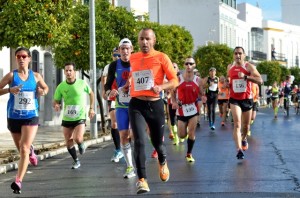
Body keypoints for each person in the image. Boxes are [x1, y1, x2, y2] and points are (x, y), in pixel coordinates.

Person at [128, 28, 179, 194]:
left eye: (147, 39)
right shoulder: (133, 57)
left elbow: (174, 80)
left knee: (158, 143)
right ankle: (142, 180)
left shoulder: (162, 57)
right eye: (141, 39)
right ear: (138, 41)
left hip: (155, 105)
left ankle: (163, 161)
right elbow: (132, 77)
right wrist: (124, 86)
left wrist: (161, 87)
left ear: (153, 40)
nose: (144, 42)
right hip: (136, 104)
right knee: (139, 141)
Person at [0, 47, 49, 194]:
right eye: (18, 57)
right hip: (14, 116)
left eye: (23, 56)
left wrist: (42, 91)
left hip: (30, 116)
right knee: (21, 147)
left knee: (23, 149)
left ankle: (18, 181)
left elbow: (45, 88)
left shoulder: (36, 76)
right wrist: (10, 90)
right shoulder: (11, 76)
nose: (21, 59)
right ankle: (31, 151)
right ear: (16, 59)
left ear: (29, 59)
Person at [53, 62, 95, 169]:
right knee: (68, 141)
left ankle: (81, 144)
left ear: (74, 72)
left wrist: (91, 108)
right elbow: (56, 100)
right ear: (64, 72)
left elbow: (91, 94)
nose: (68, 72)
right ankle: (76, 160)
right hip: (67, 117)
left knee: (77, 138)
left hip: (80, 116)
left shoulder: (82, 83)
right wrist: (56, 105)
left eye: (70, 70)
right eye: (66, 70)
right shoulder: (61, 86)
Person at [104, 38, 136, 179]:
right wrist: (108, 92)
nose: (124, 51)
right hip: (121, 105)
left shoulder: (137, 63)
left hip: (137, 105)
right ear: (119, 50)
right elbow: (108, 83)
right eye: (122, 48)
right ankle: (130, 167)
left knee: (134, 136)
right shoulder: (113, 65)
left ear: (132, 49)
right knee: (123, 135)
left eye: (127, 48)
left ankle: (138, 161)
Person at [227, 46, 262, 160]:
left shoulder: (248, 66)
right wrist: (228, 85)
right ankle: (239, 150)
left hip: (247, 98)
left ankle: (243, 138)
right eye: (236, 53)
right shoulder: (230, 67)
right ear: (233, 55)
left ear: (244, 55)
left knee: (246, 126)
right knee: (237, 124)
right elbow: (230, 81)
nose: (238, 55)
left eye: (240, 53)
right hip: (234, 99)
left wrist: (246, 77)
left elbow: (260, 80)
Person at [171, 56, 202, 162]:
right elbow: (172, 91)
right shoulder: (178, 79)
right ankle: (184, 133)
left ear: (194, 66)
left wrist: (202, 101)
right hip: (181, 109)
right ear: (184, 65)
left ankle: (189, 154)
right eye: (187, 64)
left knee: (192, 132)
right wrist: (174, 101)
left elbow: (202, 94)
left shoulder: (198, 80)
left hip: (193, 109)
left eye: (191, 64)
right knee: (182, 135)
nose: (189, 66)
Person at [101, 48, 123, 163]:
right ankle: (118, 149)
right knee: (114, 123)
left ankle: (126, 145)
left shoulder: (127, 64)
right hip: (113, 97)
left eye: (119, 55)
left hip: (125, 97)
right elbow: (104, 80)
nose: (117, 57)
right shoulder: (109, 67)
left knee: (126, 126)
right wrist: (104, 92)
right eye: (115, 55)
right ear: (112, 55)